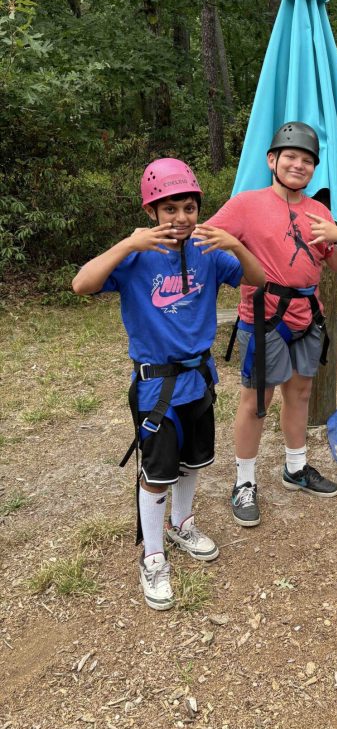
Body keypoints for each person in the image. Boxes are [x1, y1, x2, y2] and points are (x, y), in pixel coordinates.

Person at [72, 158, 265, 610]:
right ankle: (153, 554)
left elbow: (258, 280)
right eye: (170, 209)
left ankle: (182, 524)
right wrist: (126, 244)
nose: (181, 218)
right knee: (157, 473)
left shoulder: (209, 250)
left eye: (189, 207)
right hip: (156, 387)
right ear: (151, 212)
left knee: (195, 461)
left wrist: (235, 244)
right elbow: (82, 285)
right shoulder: (135, 255)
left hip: (199, 379)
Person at [201, 121, 337, 527]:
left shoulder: (319, 211)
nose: (298, 165)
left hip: (308, 314)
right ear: (273, 160)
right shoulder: (246, 205)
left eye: (307, 160)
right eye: (291, 157)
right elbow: (207, 238)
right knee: (256, 400)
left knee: (300, 392)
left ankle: (296, 467)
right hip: (265, 317)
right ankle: (245, 482)